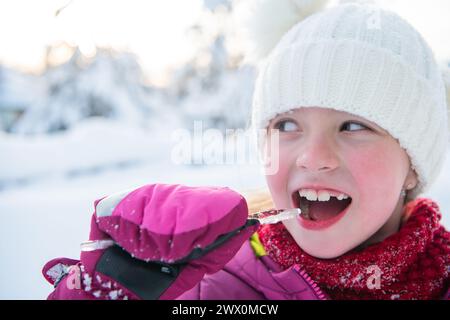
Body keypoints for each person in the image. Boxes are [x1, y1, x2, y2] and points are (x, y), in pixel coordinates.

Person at [42, 2, 450, 300]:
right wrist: (104, 291)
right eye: (287, 125)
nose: (312, 156)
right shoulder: (211, 286)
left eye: (354, 126)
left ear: (413, 163)